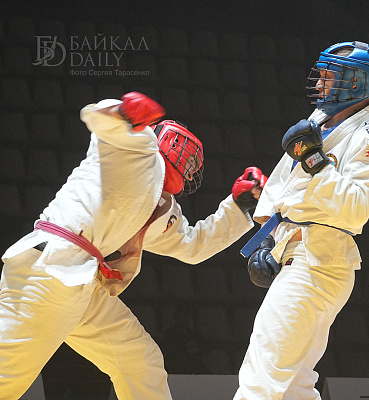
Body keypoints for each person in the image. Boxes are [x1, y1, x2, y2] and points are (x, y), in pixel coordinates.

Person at [0, 92, 267, 400]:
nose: (191, 169)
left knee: (140, 362)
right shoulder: (135, 146)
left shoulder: (162, 206)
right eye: (189, 158)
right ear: (167, 143)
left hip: (84, 282)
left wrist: (237, 206)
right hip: (49, 270)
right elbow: (100, 120)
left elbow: (193, 246)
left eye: (195, 165)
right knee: (7, 377)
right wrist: (124, 111)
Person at [234, 41, 369, 399]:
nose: (319, 84)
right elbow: (282, 185)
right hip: (296, 253)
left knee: (262, 373)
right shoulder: (319, 120)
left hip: (319, 261)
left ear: (355, 82)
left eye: (327, 76)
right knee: (295, 385)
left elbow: (356, 207)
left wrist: (315, 162)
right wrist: (266, 239)